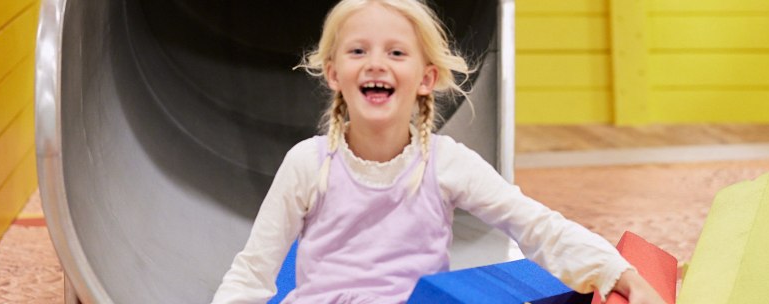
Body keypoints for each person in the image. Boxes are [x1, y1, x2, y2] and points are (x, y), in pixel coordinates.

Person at [213, 0, 666, 303]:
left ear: (426, 78)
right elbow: (253, 270)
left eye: (396, 52)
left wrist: (616, 272)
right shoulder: (308, 164)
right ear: (334, 73)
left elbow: (536, 226)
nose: (376, 62)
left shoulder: (445, 163)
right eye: (357, 50)